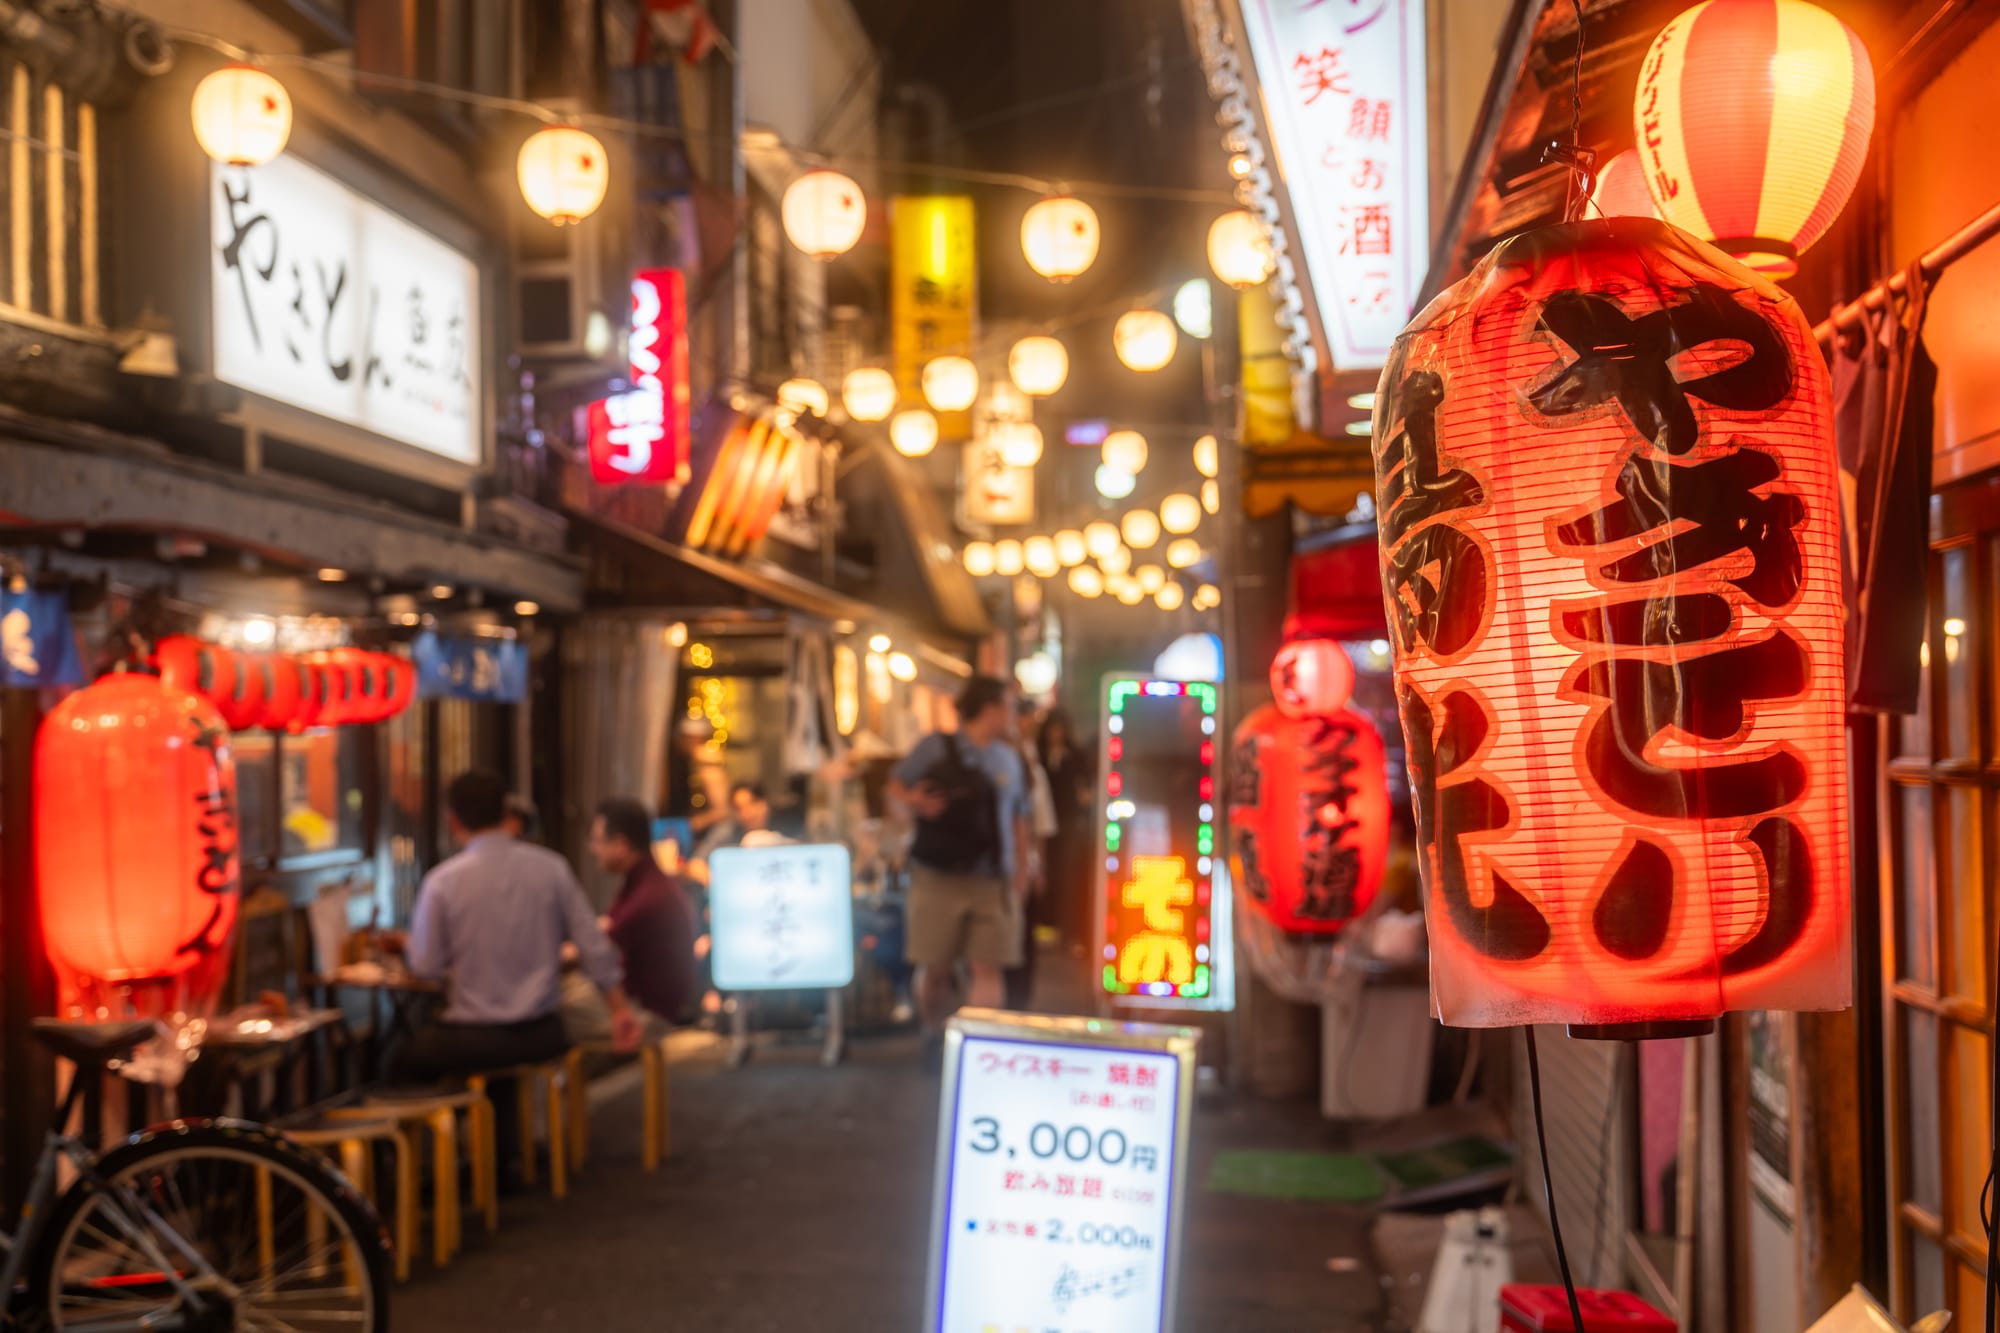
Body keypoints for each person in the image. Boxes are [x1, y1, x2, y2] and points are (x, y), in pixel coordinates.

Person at [392, 770, 641, 1181]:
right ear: (506, 813)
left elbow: (425, 967)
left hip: (474, 1037)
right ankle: (501, 1162)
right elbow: (593, 946)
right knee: (498, 1060)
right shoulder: (551, 869)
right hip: (543, 1032)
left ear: (453, 819)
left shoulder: (443, 882)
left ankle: (423, 1178)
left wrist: (406, 946)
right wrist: (618, 1008)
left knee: (405, 1059)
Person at [887, 675, 1033, 1049]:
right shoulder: (934, 747)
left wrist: (1020, 869)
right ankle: (934, 1032)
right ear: (990, 708)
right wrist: (915, 802)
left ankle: (975, 1047)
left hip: (991, 877)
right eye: (1009, 706)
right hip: (938, 876)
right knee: (935, 967)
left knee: (988, 965)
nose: (1013, 714)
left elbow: (1018, 817)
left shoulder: (1008, 758)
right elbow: (894, 788)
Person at [587, 796, 701, 1028]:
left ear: (621, 845)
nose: (593, 849)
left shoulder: (649, 894)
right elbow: (612, 928)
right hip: (651, 1002)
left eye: (598, 841)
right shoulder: (647, 881)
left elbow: (603, 944)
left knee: (553, 1009)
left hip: (648, 1011)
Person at [1004, 703, 1059, 1011]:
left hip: (1014, 870)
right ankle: (1010, 1004)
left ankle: (1016, 1004)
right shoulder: (1025, 777)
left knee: (1020, 942)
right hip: (999, 873)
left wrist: (1038, 868)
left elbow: (1040, 828)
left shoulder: (1034, 778)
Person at [1036, 708, 1095, 953]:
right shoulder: (1040, 754)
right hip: (1045, 821)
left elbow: (1086, 786)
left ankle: (1069, 929)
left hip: (1069, 820)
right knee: (1047, 871)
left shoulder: (1075, 756)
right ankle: (1048, 923)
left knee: (1068, 874)